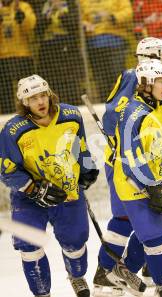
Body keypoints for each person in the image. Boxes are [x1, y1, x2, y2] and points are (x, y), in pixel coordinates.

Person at [93, 36, 162, 296]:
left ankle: (135, 268)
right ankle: (107, 273)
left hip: (158, 168)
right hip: (128, 166)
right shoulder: (133, 79)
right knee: (127, 218)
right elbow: (113, 123)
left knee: (156, 218)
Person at [0, 74, 99, 297]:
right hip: (29, 196)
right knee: (28, 244)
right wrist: (33, 188)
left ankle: (76, 276)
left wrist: (87, 167)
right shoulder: (13, 130)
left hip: (67, 191)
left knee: (75, 241)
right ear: (24, 103)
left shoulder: (71, 115)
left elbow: (79, 146)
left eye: (43, 95)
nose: (40, 102)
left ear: (50, 94)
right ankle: (42, 293)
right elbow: (6, 170)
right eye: (33, 98)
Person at [0, 0, 36, 114]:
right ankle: (9, 118)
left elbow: (31, 26)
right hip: (2, 56)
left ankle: (30, 114)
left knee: (27, 90)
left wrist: (19, 13)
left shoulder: (22, 6)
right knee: (5, 93)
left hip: (22, 54)